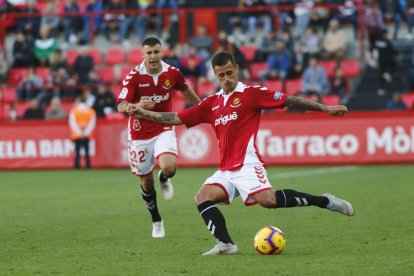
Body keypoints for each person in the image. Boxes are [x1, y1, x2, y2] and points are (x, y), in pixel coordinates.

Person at [129, 51, 354, 256]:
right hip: (226, 169)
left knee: (268, 201)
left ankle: (325, 201)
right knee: (202, 197)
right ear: (215, 76)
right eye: (221, 75)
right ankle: (225, 244)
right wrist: (141, 113)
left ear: (236, 69)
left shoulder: (251, 93)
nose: (226, 78)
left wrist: (325, 108)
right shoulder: (212, 103)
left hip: (247, 163)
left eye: (229, 73)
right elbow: (176, 118)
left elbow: (289, 100)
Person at [116, 37, 200, 238]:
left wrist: (203, 107)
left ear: (162, 52)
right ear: (142, 55)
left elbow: (185, 89)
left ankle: (164, 177)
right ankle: (156, 220)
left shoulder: (172, 73)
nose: (153, 56)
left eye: (156, 52)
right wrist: (135, 107)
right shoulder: (134, 77)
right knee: (146, 182)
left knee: (169, 168)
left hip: (163, 126)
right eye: (149, 53)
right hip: (139, 134)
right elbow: (121, 105)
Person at [69, 96, 96, 169]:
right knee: (87, 151)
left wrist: (79, 132)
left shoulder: (74, 110)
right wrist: (85, 132)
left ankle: (76, 166)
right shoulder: (90, 110)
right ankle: (88, 166)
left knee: (77, 152)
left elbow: (72, 123)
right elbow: (92, 123)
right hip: (87, 135)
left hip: (76, 135)